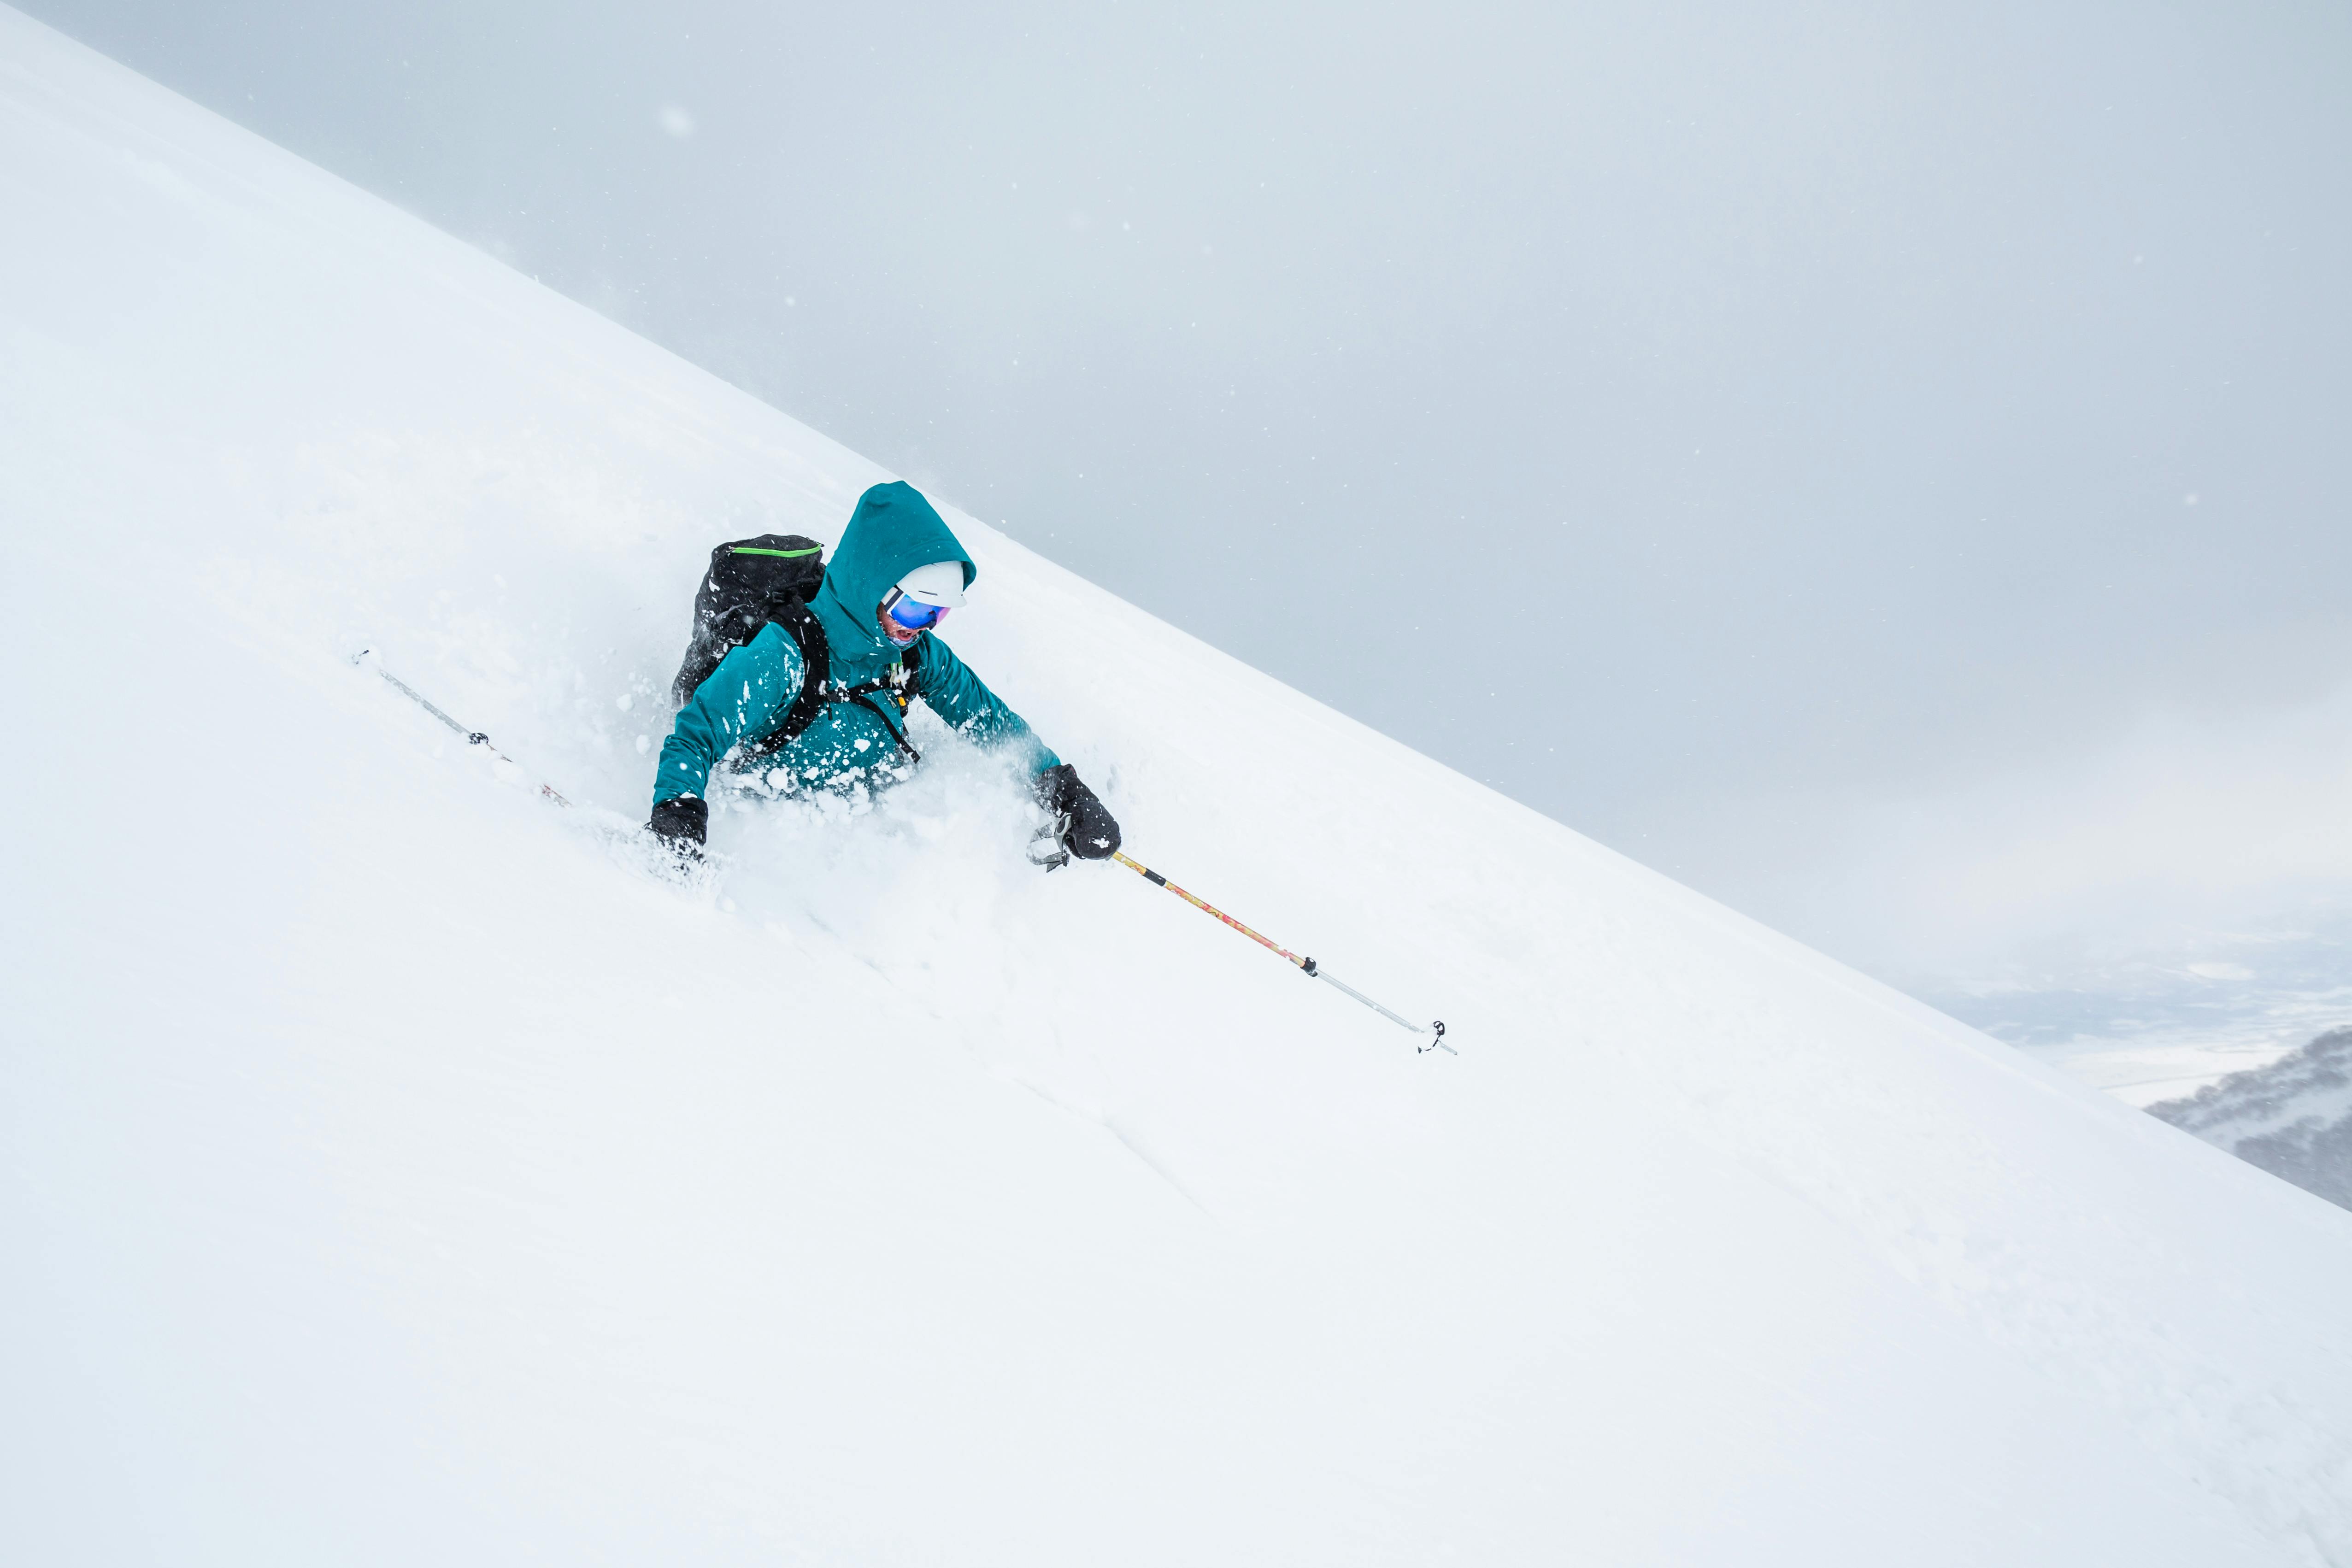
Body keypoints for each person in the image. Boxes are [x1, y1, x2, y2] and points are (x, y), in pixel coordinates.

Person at [646, 481, 1119, 863]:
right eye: (915, 610)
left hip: (856, 830)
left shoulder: (915, 653)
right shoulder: (787, 652)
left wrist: (1064, 790)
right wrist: (678, 811)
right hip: (771, 821)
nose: (923, 628)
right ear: (871, 587)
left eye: (938, 614)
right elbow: (697, 732)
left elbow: (987, 720)